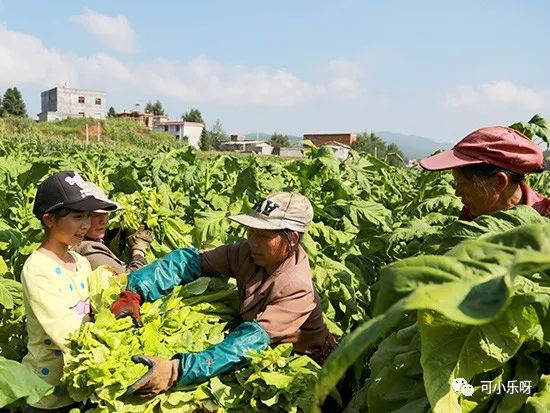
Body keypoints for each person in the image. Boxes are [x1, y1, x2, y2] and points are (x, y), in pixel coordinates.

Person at [110, 192, 336, 396]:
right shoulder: (246, 254)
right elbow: (190, 261)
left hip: (303, 365)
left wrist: (175, 371)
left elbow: (250, 342)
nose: (252, 241)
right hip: (261, 352)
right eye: (251, 231)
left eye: (263, 235)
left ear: (292, 239)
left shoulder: (297, 286)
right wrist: (135, 291)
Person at [21, 171, 118, 412]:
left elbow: (100, 304)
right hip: (46, 394)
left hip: (82, 384)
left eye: (87, 216)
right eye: (77, 216)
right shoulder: (37, 269)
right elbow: (65, 333)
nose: (85, 224)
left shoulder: (80, 261)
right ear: (49, 219)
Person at [420, 126, 550, 220]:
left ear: (499, 182)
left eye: (462, 183)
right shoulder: (470, 216)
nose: (457, 192)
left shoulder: (545, 221)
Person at [72, 183, 154, 274]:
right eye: (96, 215)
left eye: (106, 214)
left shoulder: (94, 240)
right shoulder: (88, 249)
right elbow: (130, 279)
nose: (104, 221)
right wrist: (138, 249)